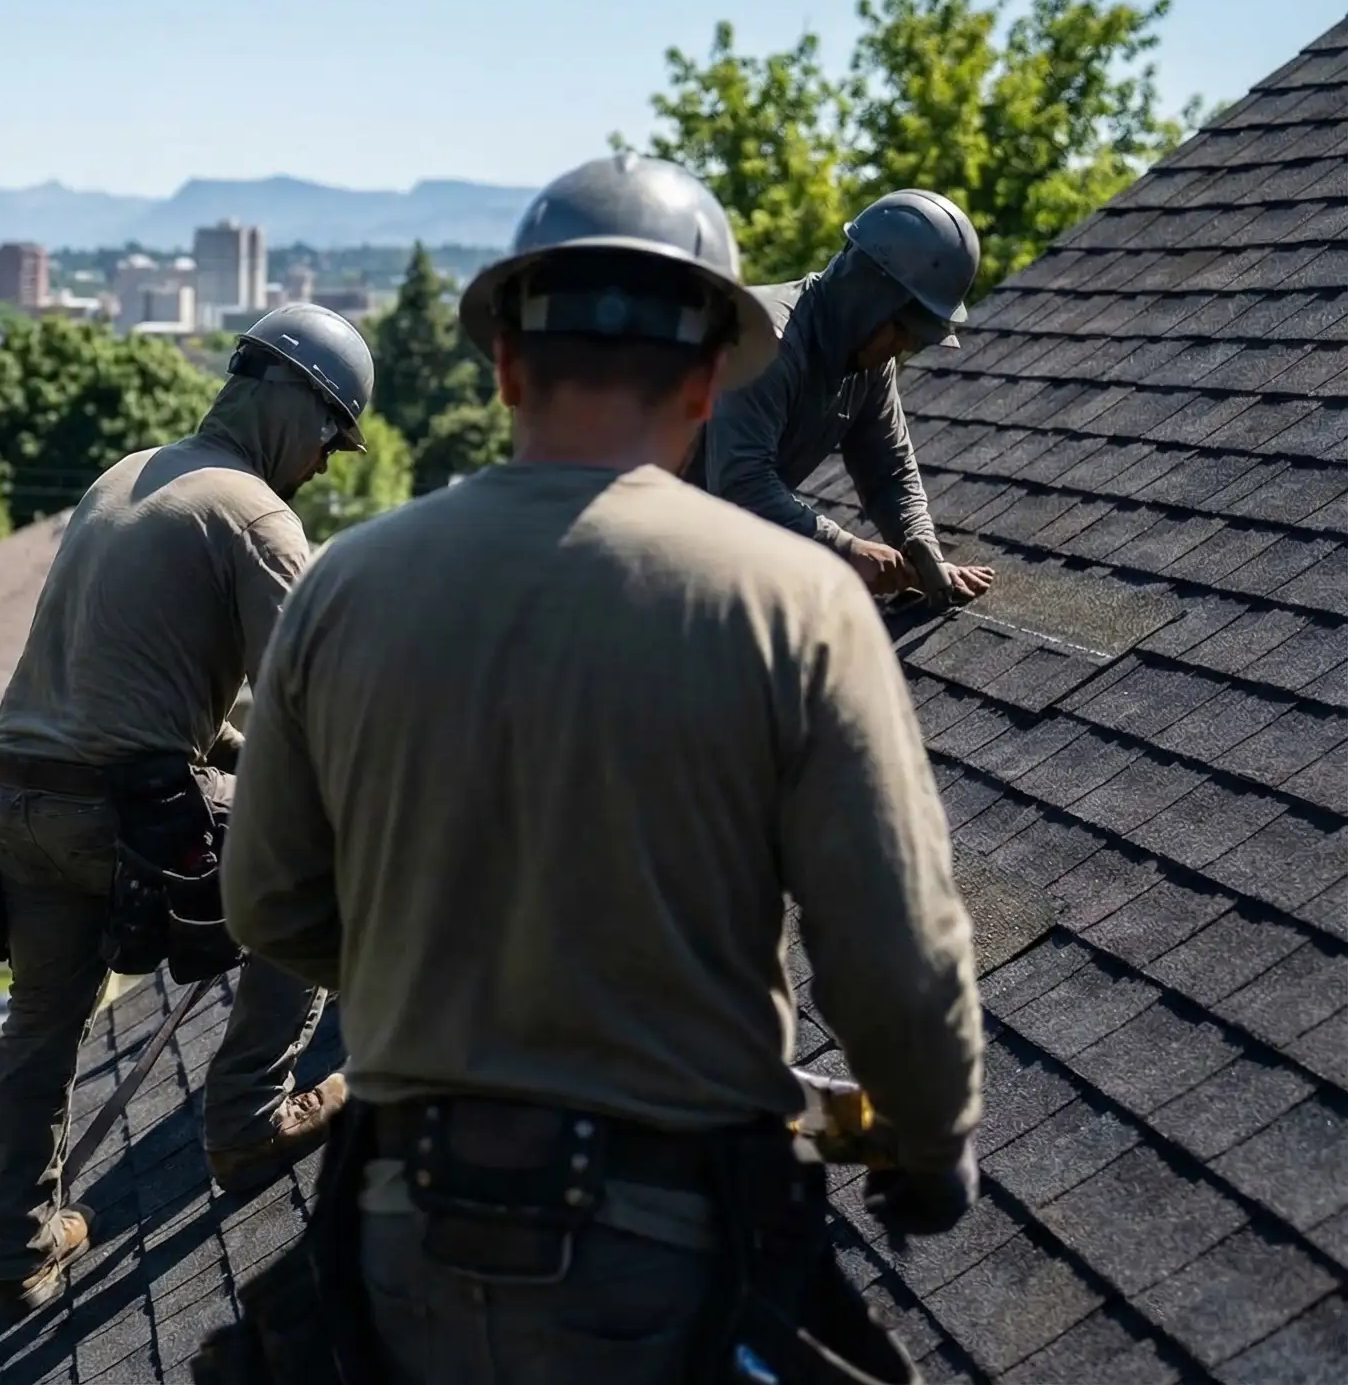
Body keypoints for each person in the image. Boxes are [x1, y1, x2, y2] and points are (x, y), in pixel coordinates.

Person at [222, 153, 984, 1384]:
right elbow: (893, 956)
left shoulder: (345, 588)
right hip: (666, 1246)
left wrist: (449, 977)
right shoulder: (795, 606)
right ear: (708, 374)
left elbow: (267, 902)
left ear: (509, 364)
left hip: (398, 1240)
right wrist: (929, 1144)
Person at [0, 302, 371, 1316]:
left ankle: (20, 1245)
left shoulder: (129, 474)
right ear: (294, 402)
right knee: (314, 862)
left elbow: (146, 698)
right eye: (332, 433)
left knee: (43, 1022)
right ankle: (247, 1118)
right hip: (120, 812)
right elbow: (321, 705)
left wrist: (230, 756)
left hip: (16, 799)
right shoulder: (251, 515)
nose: (326, 464)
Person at [696, 188, 996, 602]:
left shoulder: (869, 360)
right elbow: (739, 485)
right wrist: (844, 548)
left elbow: (888, 471)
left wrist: (919, 542)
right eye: (903, 329)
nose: (904, 347)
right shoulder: (763, 340)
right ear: (866, 298)